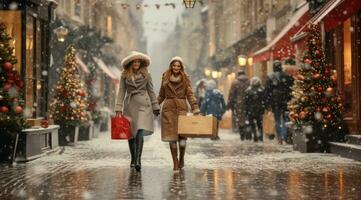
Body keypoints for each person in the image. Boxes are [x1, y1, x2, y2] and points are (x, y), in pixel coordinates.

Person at [115, 51, 160, 172]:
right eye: (134, 61)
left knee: (139, 130)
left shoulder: (147, 74)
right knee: (131, 133)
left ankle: (138, 160)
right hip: (130, 105)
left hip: (143, 105)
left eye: (138, 61)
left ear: (141, 63)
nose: (136, 63)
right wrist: (118, 108)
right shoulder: (124, 75)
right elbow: (121, 91)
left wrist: (155, 105)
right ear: (131, 63)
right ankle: (133, 157)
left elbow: (151, 91)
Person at [158, 56, 200, 172]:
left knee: (182, 137)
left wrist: (195, 107)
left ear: (181, 67)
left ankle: (181, 158)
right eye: (174, 65)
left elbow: (190, 94)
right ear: (171, 66)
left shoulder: (185, 78)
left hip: (181, 109)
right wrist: (156, 105)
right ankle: (175, 163)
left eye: (178, 66)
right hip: (169, 109)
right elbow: (161, 94)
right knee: (172, 138)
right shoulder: (165, 77)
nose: (176, 67)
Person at [264, 60, 294, 144]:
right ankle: (285, 136)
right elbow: (290, 88)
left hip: (275, 101)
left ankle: (280, 137)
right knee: (285, 118)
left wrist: (268, 103)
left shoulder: (270, 77)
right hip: (285, 100)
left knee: (277, 119)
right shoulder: (286, 76)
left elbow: (267, 91)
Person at [227, 70, 250, 139]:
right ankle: (247, 132)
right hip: (248, 103)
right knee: (247, 118)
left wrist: (229, 105)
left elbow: (231, 95)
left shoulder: (235, 83)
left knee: (240, 119)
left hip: (238, 104)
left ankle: (242, 134)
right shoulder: (249, 82)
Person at [244, 77, 266, 142]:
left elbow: (246, 102)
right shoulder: (261, 90)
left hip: (251, 110)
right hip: (259, 109)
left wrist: (246, 110)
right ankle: (260, 136)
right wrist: (264, 107)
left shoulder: (248, 90)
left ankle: (255, 135)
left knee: (252, 124)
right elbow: (264, 100)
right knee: (259, 124)